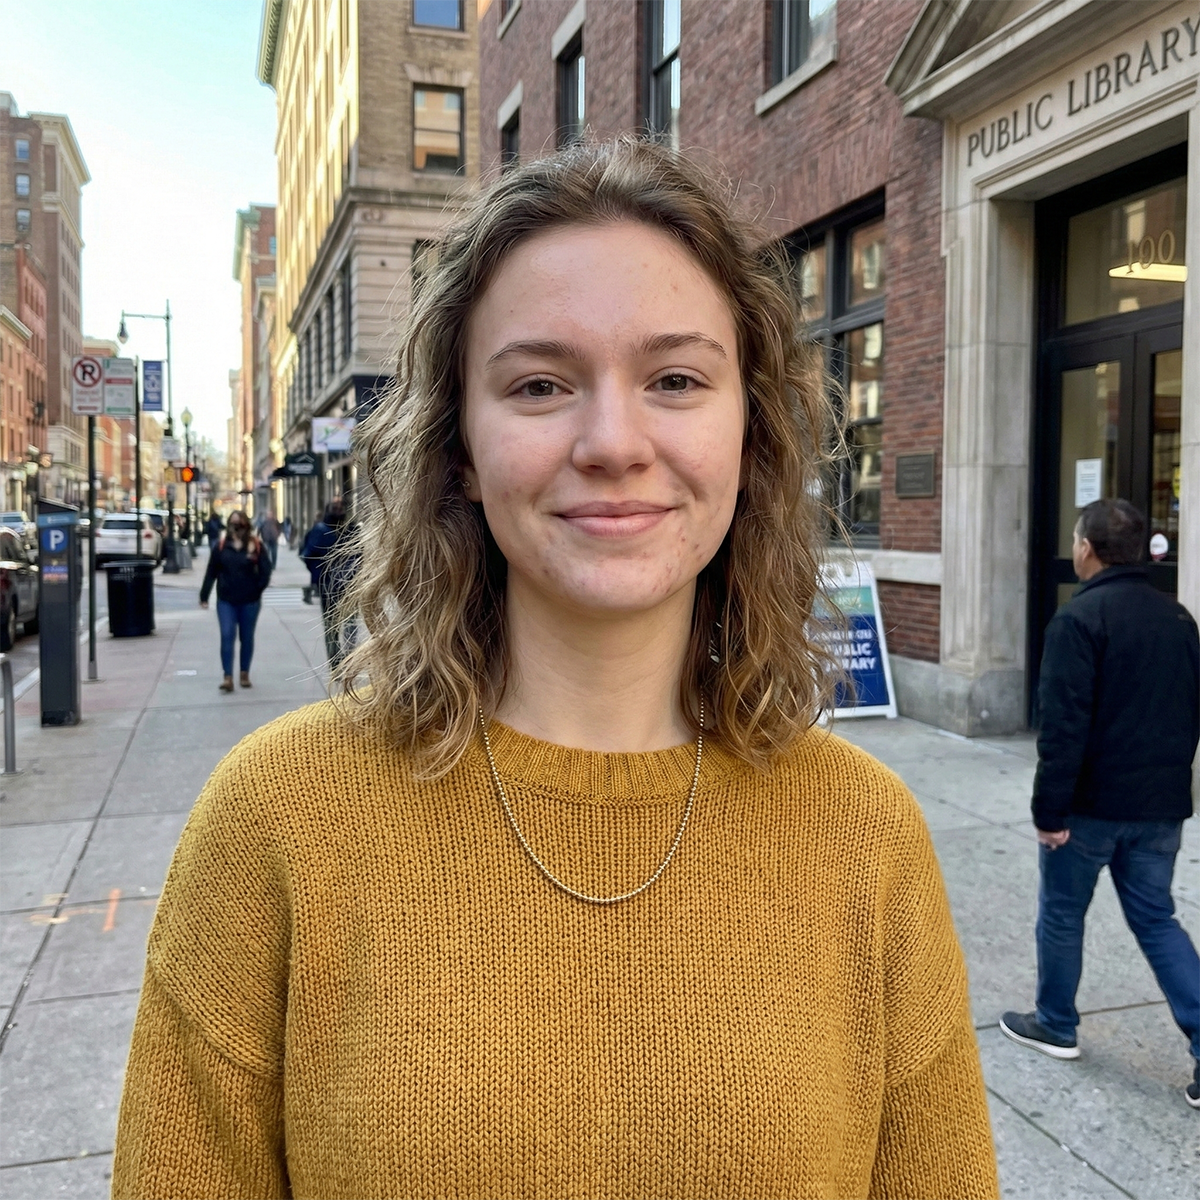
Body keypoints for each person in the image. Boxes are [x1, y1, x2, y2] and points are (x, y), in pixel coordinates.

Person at [113, 139, 999, 1197]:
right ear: (459, 450)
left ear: (750, 434)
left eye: (676, 380)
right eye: (539, 384)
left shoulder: (866, 834)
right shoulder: (278, 819)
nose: (614, 442)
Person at [1000, 499, 1200, 1110]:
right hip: (1159, 809)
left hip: (1088, 810)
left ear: (1086, 549)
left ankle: (1055, 1023)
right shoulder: (1179, 619)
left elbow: (1062, 728)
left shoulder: (1078, 620)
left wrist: (1049, 812)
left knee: (1062, 914)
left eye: (1075, 539)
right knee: (1157, 920)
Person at [198, 509, 272, 693]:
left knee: (246, 637)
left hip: (250, 601)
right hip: (226, 600)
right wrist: (204, 595)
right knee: (227, 635)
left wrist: (257, 590)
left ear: (246, 525)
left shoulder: (256, 545)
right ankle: (228, 677)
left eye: (239, 523)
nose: (236, 527)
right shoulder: (221, 546)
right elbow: (211, 572)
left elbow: (266, 571)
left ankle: (244, 673)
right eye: (232, 523)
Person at [301, 498, 359, 669]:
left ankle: (350, 658)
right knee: (331, 626)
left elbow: (360, 554)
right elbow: (308, 555)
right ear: (328, 510)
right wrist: (320, 575)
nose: (339, 509)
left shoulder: (352, 530)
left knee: (350, 623)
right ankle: (336, 662)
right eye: (335, 507)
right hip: (329, 586)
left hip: (351, 585)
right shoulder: (320, 531)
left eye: (341, 507)